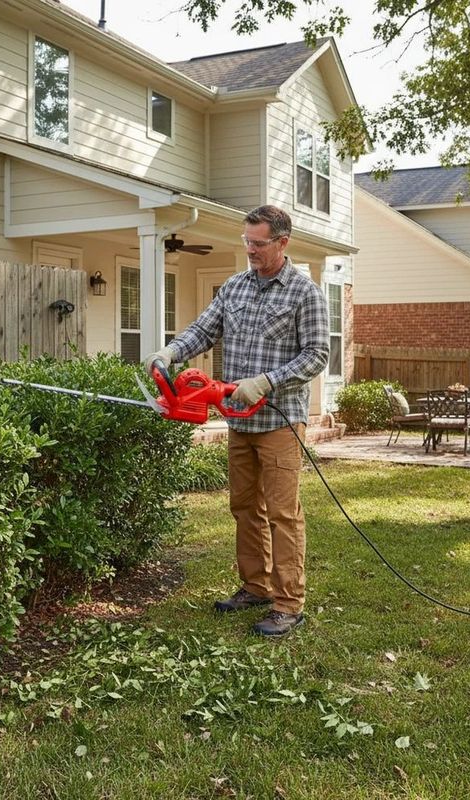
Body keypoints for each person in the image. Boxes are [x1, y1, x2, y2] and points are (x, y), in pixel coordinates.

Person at [144, 205, 329, 637]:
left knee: (283, 514)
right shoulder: (234, 287)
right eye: (247, 241)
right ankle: (256, 586)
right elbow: (204, 330)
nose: (250, 250)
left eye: (259, 243)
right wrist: (171, 352)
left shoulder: (305, 292)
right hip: (238, 420)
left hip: (280, 419)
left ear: (282, 243)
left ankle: (288, 603)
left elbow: (317, 354)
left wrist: (268, 381)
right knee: (245, 507)